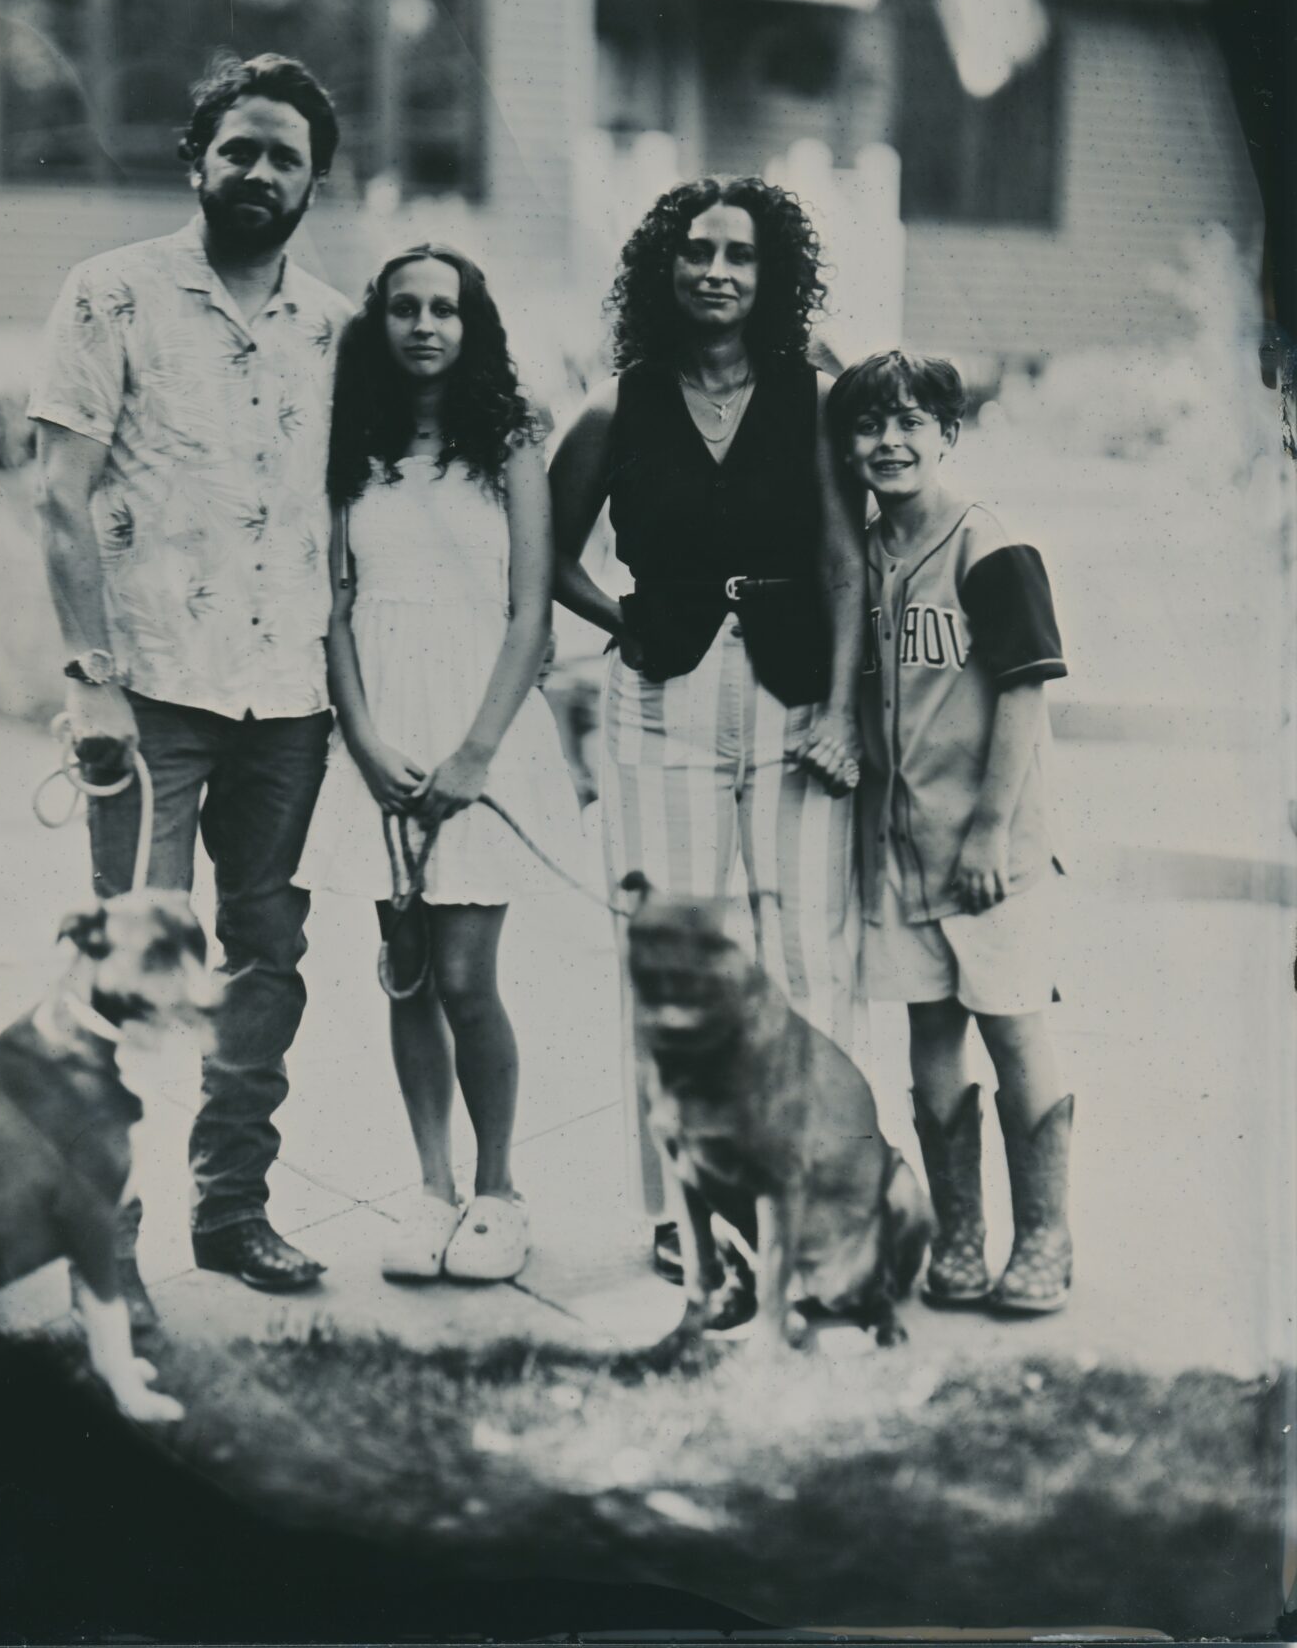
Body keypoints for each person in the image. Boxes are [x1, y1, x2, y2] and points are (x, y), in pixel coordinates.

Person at [29, 52, 356, 1301]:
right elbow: (58, 495)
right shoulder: (109, 293)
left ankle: (232, 1211)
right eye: (240, 148)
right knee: (129, 956)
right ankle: (98, 1227)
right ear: (197, 161)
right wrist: (91, 677)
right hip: (150, 690)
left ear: (314, 182)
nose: (260, 171)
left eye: (285, 156)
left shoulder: (336, 330)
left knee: (266, 954)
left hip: (288, 700)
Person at [548, 176, 866, 1278]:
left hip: (796, 703)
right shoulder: (615, 405)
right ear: (663, 267)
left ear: (772, 275)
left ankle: (811, 1199)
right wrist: (623, 620)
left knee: (805, 956)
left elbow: (844, 561)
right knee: (671, 961)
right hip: (660, 706)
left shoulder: (814, 395)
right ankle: (682, 1218)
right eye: (696, 251)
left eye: (740, 254)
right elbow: (547, 556)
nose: (718, 271)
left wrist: (840, 707)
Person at [295, 243, 582, 1284]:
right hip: (383, 727)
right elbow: (332, 605)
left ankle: (499, 1192)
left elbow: (529, 610)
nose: (425, 325)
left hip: (478, 724)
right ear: (379, 324)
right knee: (406, 967)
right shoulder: (352, 446)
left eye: (445, 309)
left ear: (473, 326)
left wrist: (474, 754)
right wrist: (365, 741)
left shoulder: (507, 442)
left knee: (465, 975)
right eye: (405, 308)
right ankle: (431, 1188)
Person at [826, 349, 1074, 1315]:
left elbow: (1025, 692)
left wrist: (989, 831)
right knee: (930, 1028)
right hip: (901, 847)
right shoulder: (860, 552)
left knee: (1012, 1025)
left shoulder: (987, 544)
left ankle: (1044, 1238)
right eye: (869, 425)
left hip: (987, 852)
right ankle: (961, 1236)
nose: (889, 441)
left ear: (948, 435)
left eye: (910, 422)